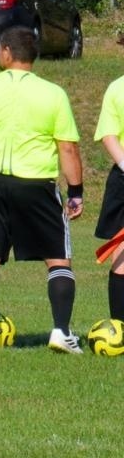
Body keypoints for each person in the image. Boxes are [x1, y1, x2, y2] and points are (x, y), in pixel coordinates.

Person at [0, 25, 84, 354]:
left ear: (7, 53)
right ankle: (61, 332)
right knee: (58, 259)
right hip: (36, 184)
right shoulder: (53, 94)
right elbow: (67, 148)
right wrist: (75, 191)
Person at [91, 72, 124, 323]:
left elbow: (109, 136)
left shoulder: (117, 87)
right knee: (121, 254)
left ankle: (119, 329)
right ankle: (119, 326)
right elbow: (108, 135)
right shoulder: (117, 88)